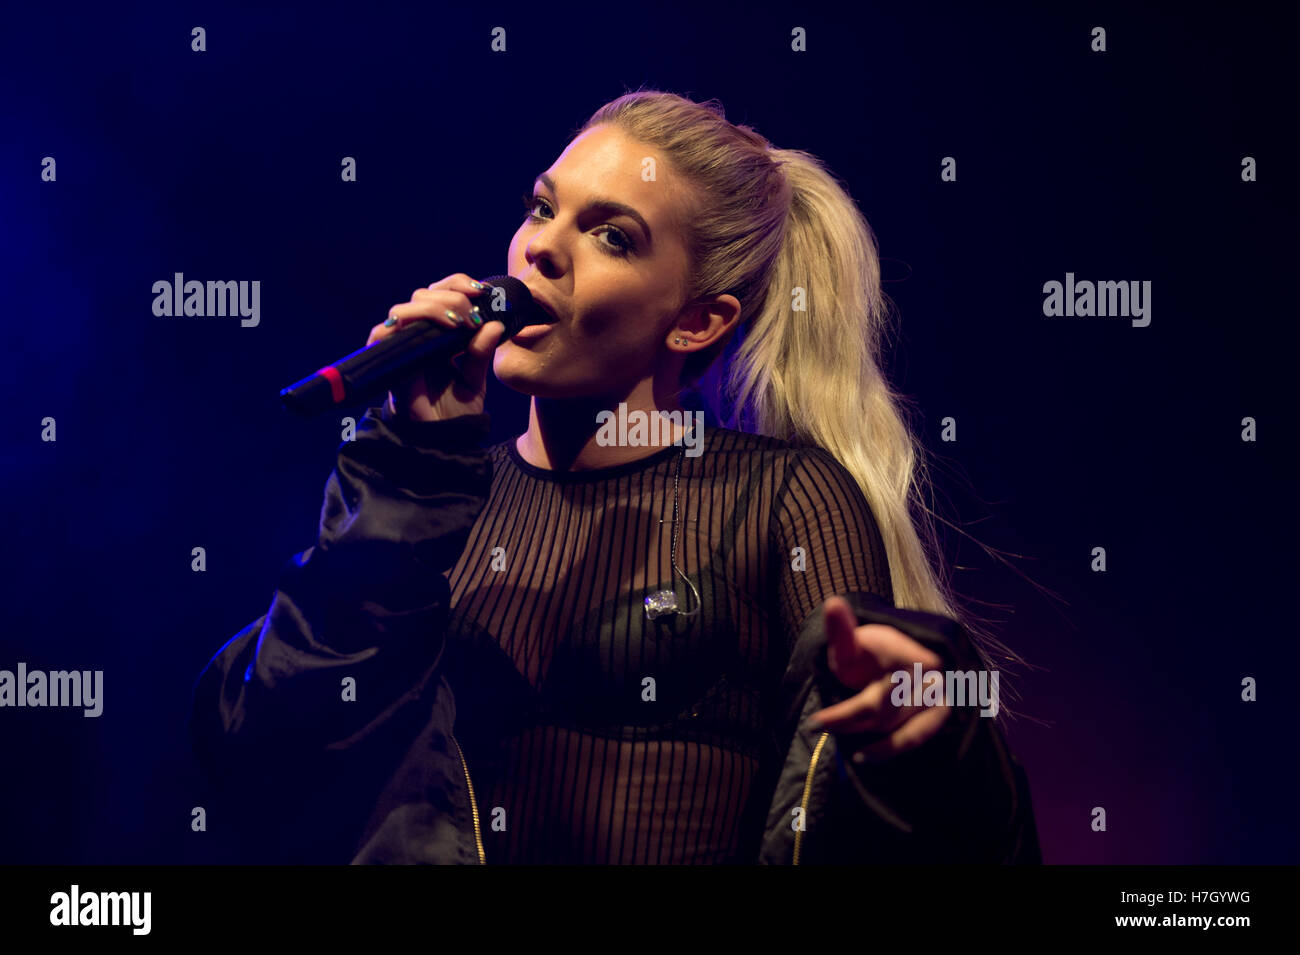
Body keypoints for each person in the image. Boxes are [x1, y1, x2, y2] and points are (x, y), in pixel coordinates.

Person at [189, 89, 1042, 865]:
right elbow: (266, 748)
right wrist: (406, 473)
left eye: (611, 236)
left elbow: (856, 815)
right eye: (542, 209)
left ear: (696, 322)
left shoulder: (778, 497)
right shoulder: (428, 501)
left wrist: (929, 738)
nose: (541, 252)